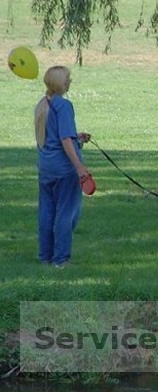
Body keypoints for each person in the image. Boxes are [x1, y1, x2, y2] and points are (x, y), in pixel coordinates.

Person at [34, 65, 91, 268]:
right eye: (67, 79)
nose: (70, 82)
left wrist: (78, 138)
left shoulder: (42, 105)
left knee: (47, 211)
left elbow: (54, 137)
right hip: (64, 169)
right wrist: (79, 166)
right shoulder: (64, 106)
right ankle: (61, 259)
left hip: (46, 168)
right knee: (66, 214)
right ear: (60, 83)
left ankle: (45, 256)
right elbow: (65, 140)